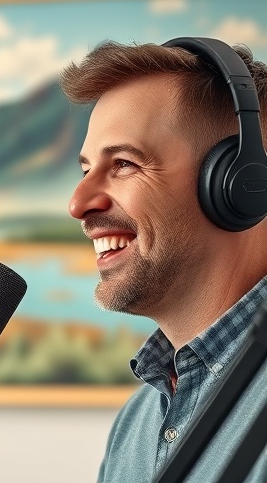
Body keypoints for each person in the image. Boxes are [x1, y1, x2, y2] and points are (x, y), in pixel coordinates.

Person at [60, 38, 267, 482]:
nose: (78, 203)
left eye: (124, 164)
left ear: (237, 185)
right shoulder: (136, 424)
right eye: (85, 170)